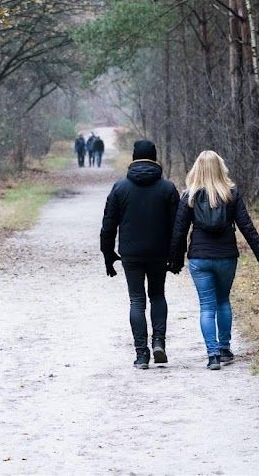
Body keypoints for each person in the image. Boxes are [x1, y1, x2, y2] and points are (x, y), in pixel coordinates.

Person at [168, 150, 259, 370]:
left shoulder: (189, 196)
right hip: (226, 256)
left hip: (200, 258)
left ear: (197, 169)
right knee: (223, 301)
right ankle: (224, 349)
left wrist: (174, 259)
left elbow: (179, 230)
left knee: (207, 307)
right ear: (220, 168)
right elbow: (246, 225)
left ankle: (212, 354)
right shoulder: (230, 194)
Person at [100, 140, 180, 369]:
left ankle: (141, 354)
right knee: (157, 296)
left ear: (134, 158)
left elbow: (108, 226)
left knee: (137, 300)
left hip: (131, 254)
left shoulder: (120, 188)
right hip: (158, 253)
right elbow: (178, 227)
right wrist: (176, 256)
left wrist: (109, 256)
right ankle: (159, 343)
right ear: (155, 158)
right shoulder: (167, 188)